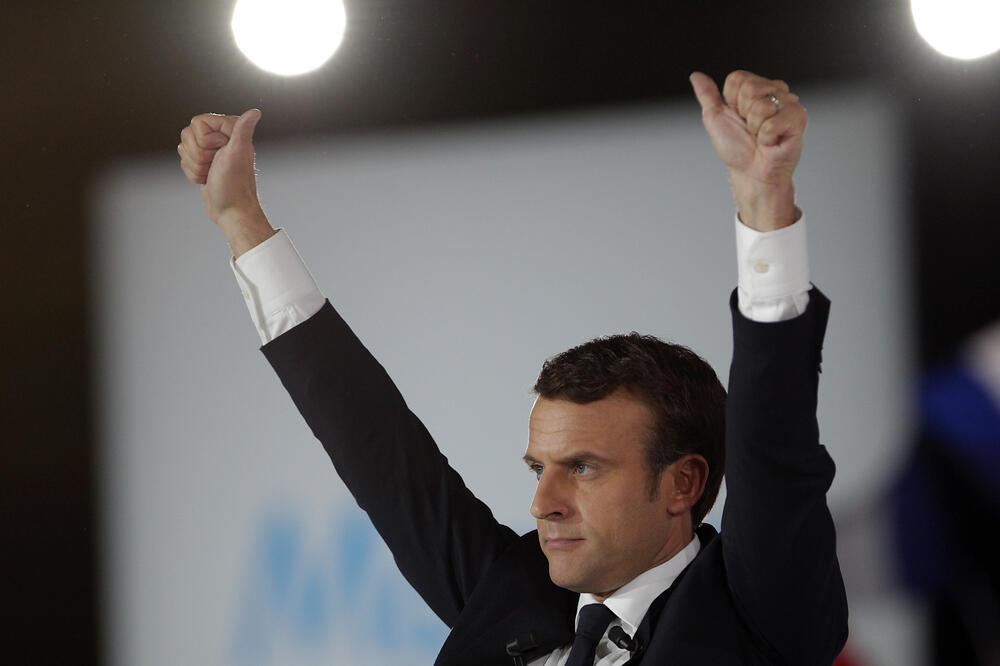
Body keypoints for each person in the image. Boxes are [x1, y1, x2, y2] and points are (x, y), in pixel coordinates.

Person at [178, 70, 848, 665]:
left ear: (683, 483)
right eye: (539, 468)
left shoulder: (758, 612)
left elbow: (773, 446)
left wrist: (766, 205)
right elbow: (373, 445)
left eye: (583, 467)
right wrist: (242, 221)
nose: (542, 504)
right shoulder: (511, 590)